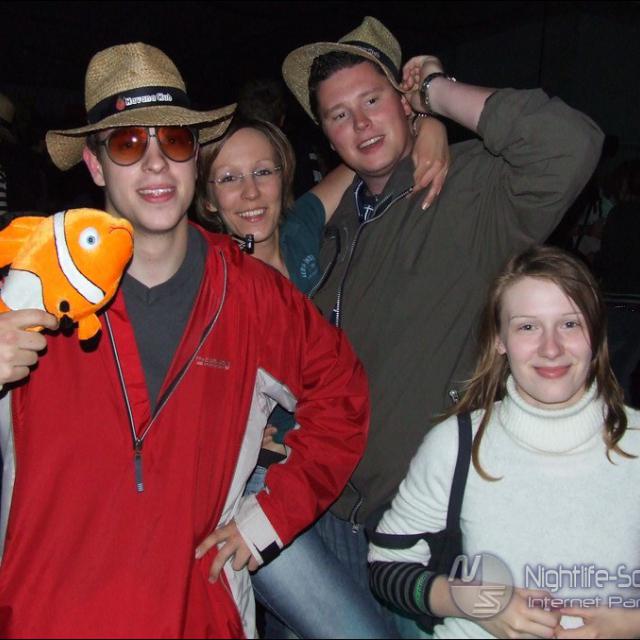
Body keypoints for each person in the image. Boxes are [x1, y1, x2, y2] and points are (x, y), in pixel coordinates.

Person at [0, 42, 370, 638]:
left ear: (194, 158)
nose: (155, 164)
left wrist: (269, 517)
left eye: (173, 140)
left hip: (195, 619)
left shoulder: (254, 297)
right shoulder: (32, 286)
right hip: (47, 620)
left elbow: (343, 397)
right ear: (95, 164)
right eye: (128, 143)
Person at [281, 15, 604, 634]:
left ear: (402, 101)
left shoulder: (470, 186)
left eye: (372, 100)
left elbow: (570, 143)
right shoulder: (334, 230)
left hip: (427, 534)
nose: (361, 124)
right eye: (339, 115)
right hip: (329, 513)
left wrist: (435, 92)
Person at [194, 113, 449, 639]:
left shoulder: (300, 234)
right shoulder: (206, 277)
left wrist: (425, 124)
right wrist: (239, 427)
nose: (250, 192)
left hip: (332, 481)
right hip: (258, 487)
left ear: (284, 177)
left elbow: (364, 156)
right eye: (229, 178)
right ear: (208, 198)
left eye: (263, 172)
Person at [369, 245, 640, 639]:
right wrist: (472, 601)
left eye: (570, 324)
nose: (551, 348)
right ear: (499, 340)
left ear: (595, 333)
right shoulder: (457, 445)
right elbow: (386, 567)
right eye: (527, 327)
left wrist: (631, 624)